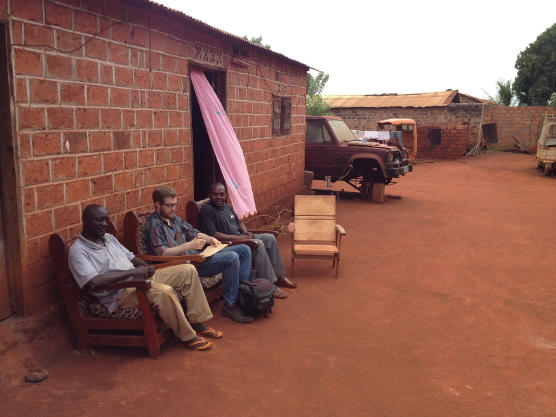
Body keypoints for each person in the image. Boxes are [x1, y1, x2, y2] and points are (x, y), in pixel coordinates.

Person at [68, 204, 221, 352]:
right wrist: (132, 273)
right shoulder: (78, 251)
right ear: (85, 221)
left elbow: (131, 257)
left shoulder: (108, 238)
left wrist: (146, 268)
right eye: (98, 220)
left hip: (136, 278)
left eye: (106, 220)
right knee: (163, 291)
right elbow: (93, 283)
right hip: (119, 293)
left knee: (187, 270)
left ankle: (197, 321)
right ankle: (187, 336)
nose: (104, 224)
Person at [144, 186, 254, 324]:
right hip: (186, 265)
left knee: (244, 249)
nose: (173, 209)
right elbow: (162, 254)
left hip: (199, 257)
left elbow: (193, 232)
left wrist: (210, 239)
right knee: (231, 258)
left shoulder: (173, 218)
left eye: (175, 205)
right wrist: (189, 246)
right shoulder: (154, 225)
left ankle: (242, 297)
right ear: (158, 204)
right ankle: (230, 305)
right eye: (169, 205)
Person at [199, 183, 297, 299]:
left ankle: (279, 276)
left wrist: (246, 233)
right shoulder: (207, 211)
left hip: (241, 237)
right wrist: (240, 238)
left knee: (269, 238)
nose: (219, 197)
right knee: (258, 244)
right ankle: (270, 284)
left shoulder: (228, 207)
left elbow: (239, 223)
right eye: (215, 194)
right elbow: (214, 235)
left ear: (226, 195)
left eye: (222, 194)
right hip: (229, 243)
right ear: (210, 195)